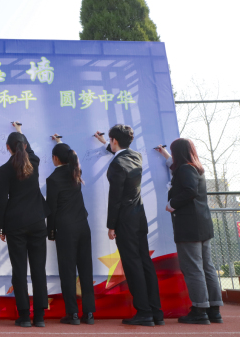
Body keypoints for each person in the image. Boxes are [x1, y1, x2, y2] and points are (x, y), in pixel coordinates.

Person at [94, 125, 163, 326]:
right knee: (145, 262)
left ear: (114, 140)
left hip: (124, 220)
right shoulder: (136, 157)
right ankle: (156, 312)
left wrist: (111, 225)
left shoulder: (117, 165)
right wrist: (106, 143)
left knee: (132, 265)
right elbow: (120, 153)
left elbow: (115, 197)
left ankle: (144, 312)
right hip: (139, 218)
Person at [156, 139, 223, 324]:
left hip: (188, 226)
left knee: (193, 268)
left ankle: (199, 310)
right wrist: (165, 155)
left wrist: (172, 204)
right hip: (202, 225)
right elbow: (183, 176)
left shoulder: (185, 169)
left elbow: (189, 190)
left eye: (172, 152)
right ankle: (214, 310)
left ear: (178, 153)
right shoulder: (194, 168)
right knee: (207, 267)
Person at [0, 122, 49, 328]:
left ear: (7, 148)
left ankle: (25, 316)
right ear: (25, 146)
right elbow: (29, 150)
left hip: (15, 223)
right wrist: (20, 132)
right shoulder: (34, 162)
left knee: (19, 270)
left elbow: (2, 201)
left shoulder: (4, 170)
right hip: (37, 221)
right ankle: (40, 317)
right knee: (38, 269)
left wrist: (1, 227)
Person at [46, 134, 95, 325]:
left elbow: (51, 208)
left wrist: (51, 231)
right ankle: (89, 313)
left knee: (68, 271)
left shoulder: (53, 179)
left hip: (65, 229)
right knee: (86, 269)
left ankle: (72, 314)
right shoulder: (76, 172)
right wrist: (60, 143)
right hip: (83, 226)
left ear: (55, 159)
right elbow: (71, 156)